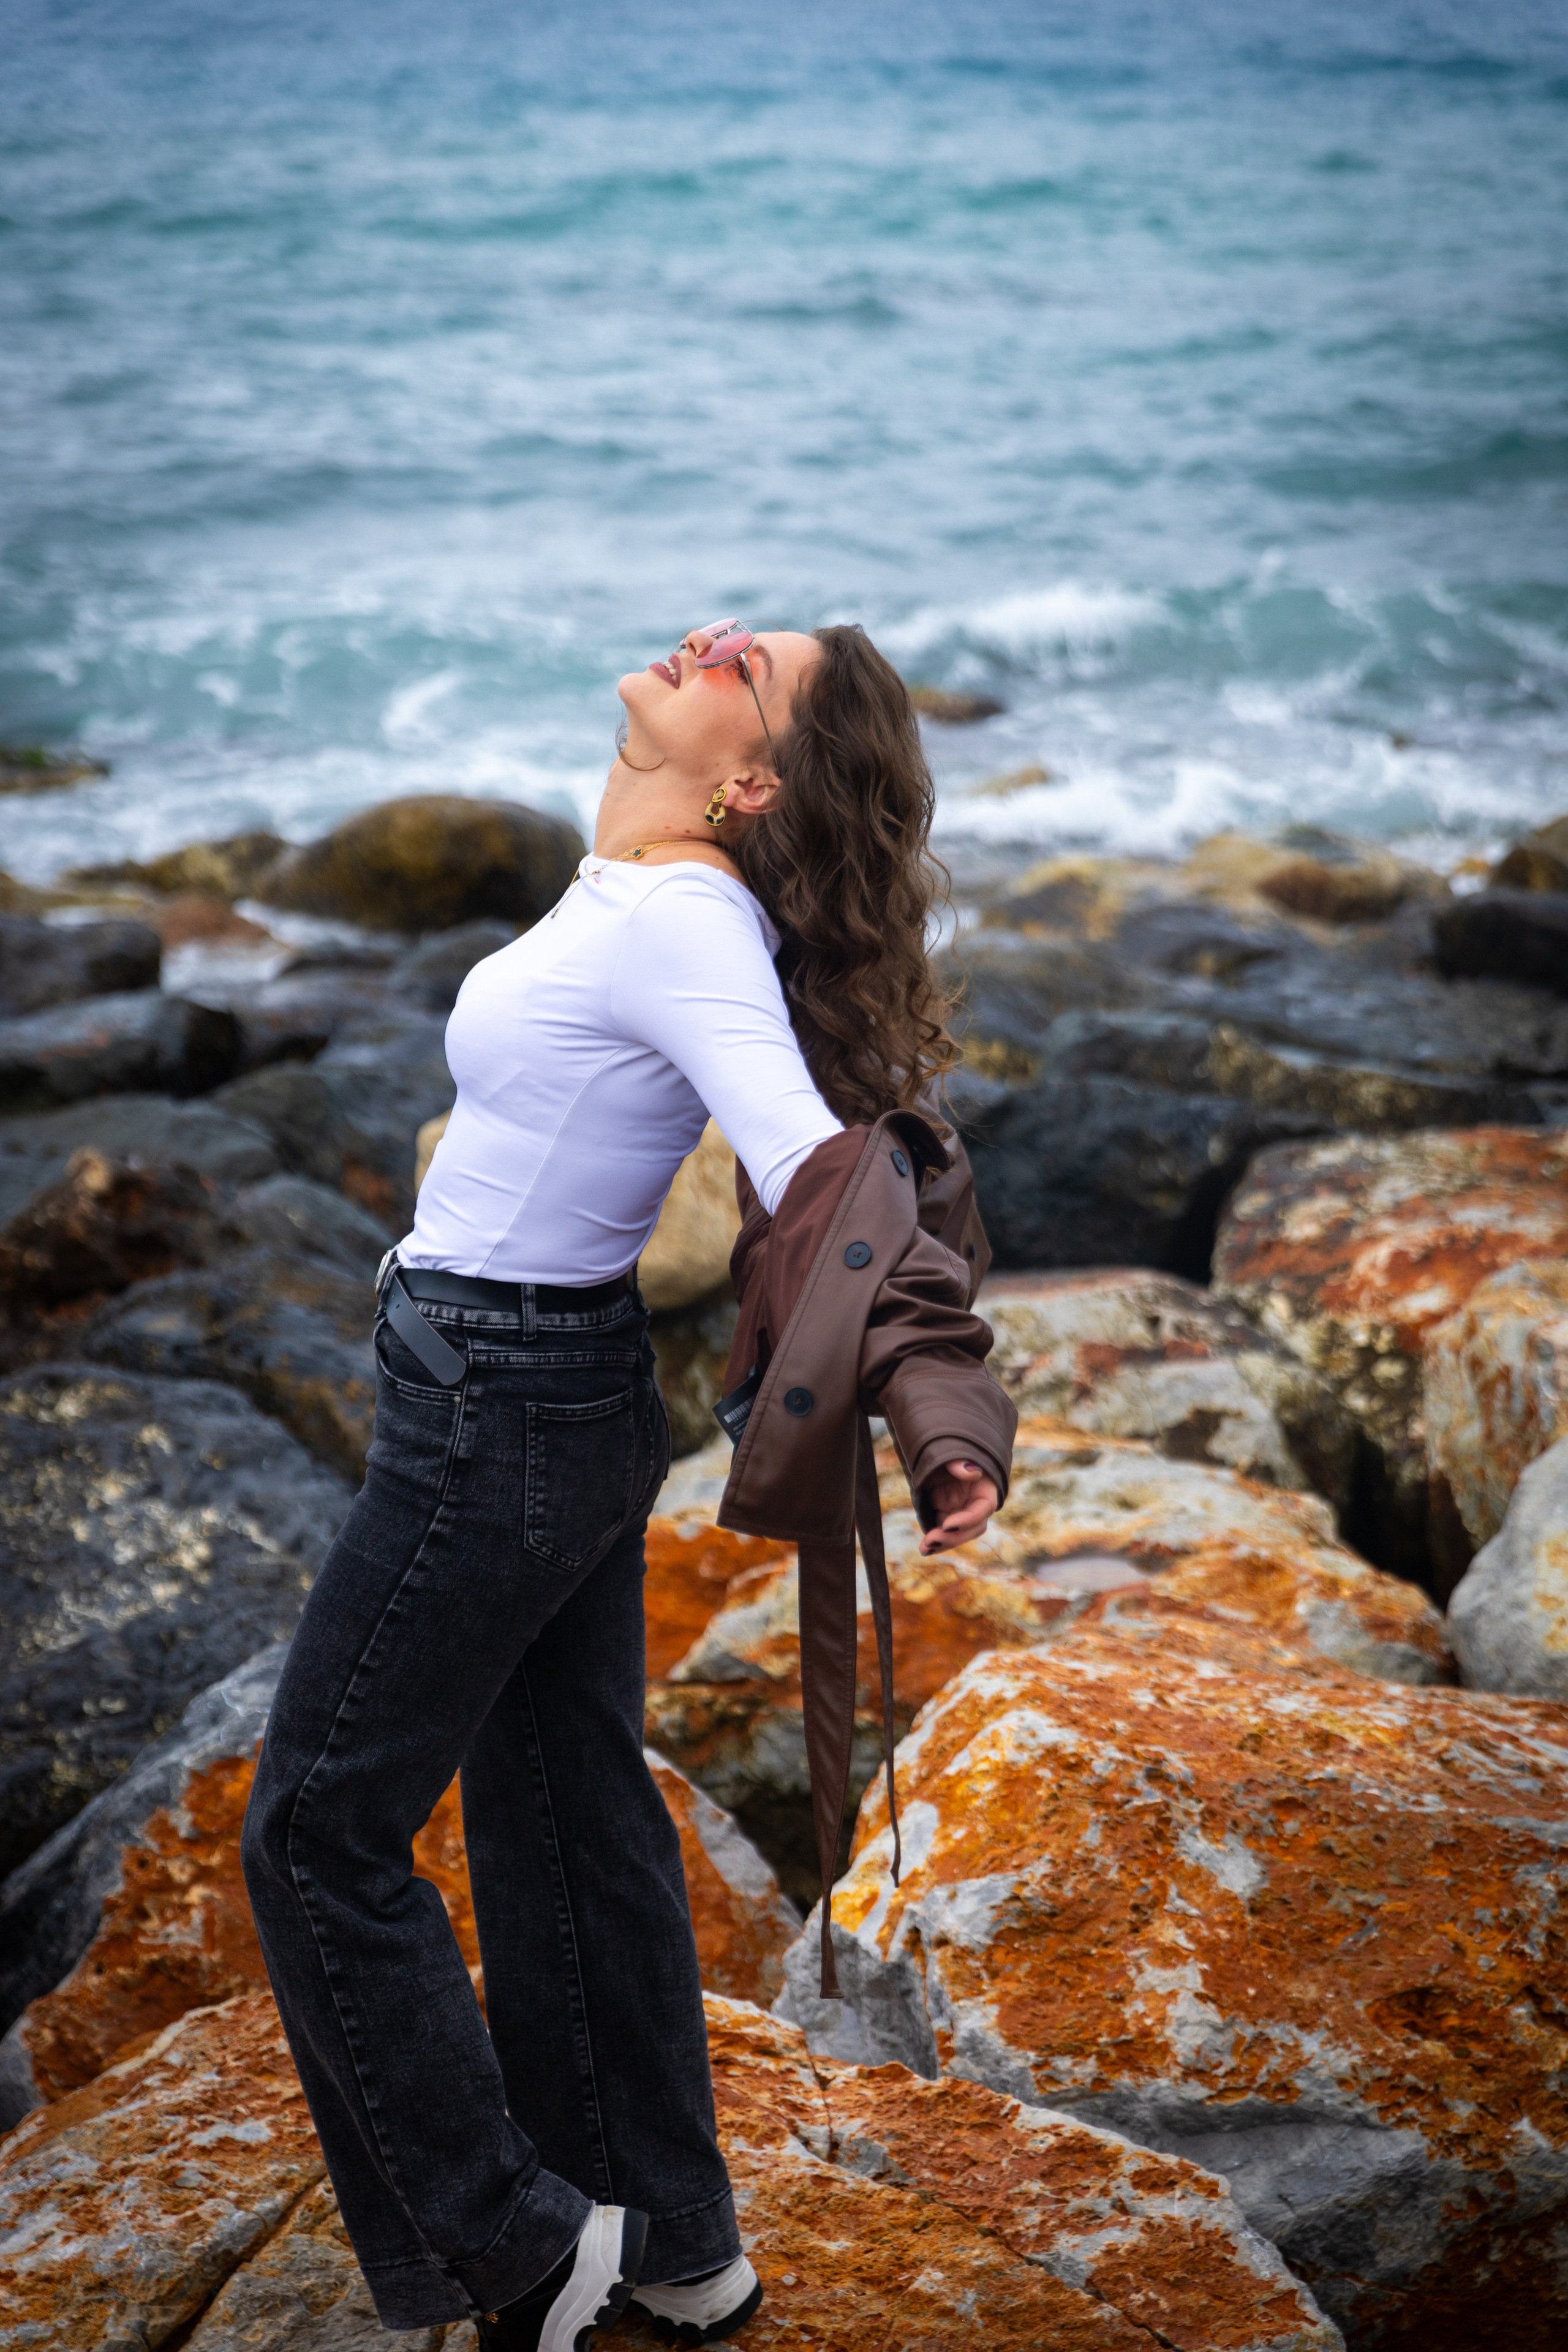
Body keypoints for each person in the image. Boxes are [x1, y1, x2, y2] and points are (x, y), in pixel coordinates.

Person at [241, 619, 1013, 2352]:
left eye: (763, 667)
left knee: (313, 1836)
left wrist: (936, 1402)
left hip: (497, 1406)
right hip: (546, 1388)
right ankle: (671, 2236)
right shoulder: (652, 899)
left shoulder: (679, 921)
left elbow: (830, 1174)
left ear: (750, 782)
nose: (716, 633)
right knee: (566, 1814)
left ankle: (518, 2246)